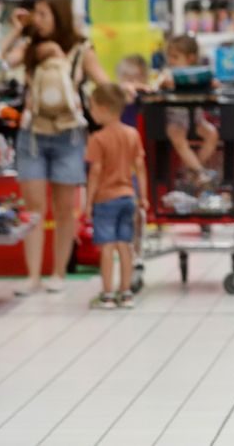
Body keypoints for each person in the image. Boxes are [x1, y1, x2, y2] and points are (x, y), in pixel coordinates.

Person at [0, 0, 115, 296]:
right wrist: (16, 29)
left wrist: (130, 88)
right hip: (32, 135)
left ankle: (59, 272)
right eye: (35, 14)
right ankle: (33, 275)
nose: (37, 20)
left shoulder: (81, 50)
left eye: (42, 14)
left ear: (58, 16)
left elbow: (105, 84)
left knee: (66, 210)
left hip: (70, 136)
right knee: (34, 209)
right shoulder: (30, 48)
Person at [84, 83, 148, 309]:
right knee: (125, 245)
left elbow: (95, 172)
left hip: (105, 199)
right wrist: (143, 196)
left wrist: (88, 201)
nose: (91, 113)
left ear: (103, 108)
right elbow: (139, 167)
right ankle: (126, 292)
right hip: (128, 197)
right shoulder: (132, 134)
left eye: (92, 108)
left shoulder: (97, 139)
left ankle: (108, 294)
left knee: (107, 247)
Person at [158, 35, 219, 181]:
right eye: (170, 57)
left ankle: (193, 169)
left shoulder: (200, 74)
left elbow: (214, 85)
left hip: (197, 120)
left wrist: (213, 84)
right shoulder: (168, 74)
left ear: (190, 58)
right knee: (178, 139)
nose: (171, 61)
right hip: (175, 120)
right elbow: (159, 85)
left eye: (175, 57)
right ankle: (199, 172)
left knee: (213, 134)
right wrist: (164, 85)